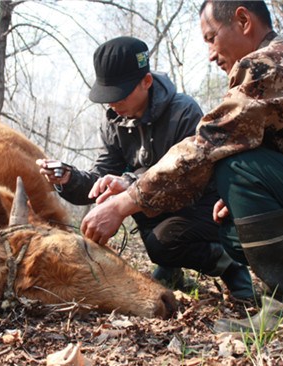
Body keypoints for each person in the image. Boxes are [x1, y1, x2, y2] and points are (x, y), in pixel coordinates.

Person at [80, 1, 283, 330]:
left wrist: (123, 203)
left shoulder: (275, 62)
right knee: (235, 230)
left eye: (210, 38)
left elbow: (207, 144)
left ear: (243, 20)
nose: (209, 53)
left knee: (239, 166)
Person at [37, 36, 254, 299]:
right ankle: (170, 267)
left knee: (163, 242)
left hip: (205, 206)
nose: (112, 103)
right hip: (155, 208)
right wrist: (69, 179)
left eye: (119, 94)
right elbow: (102, 176)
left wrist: (129, 184)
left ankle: (231, 267)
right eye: (107, 96)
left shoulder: (183, 113)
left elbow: (189, 181)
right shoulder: (114, 121)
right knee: (155, 233)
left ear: (146, 82)